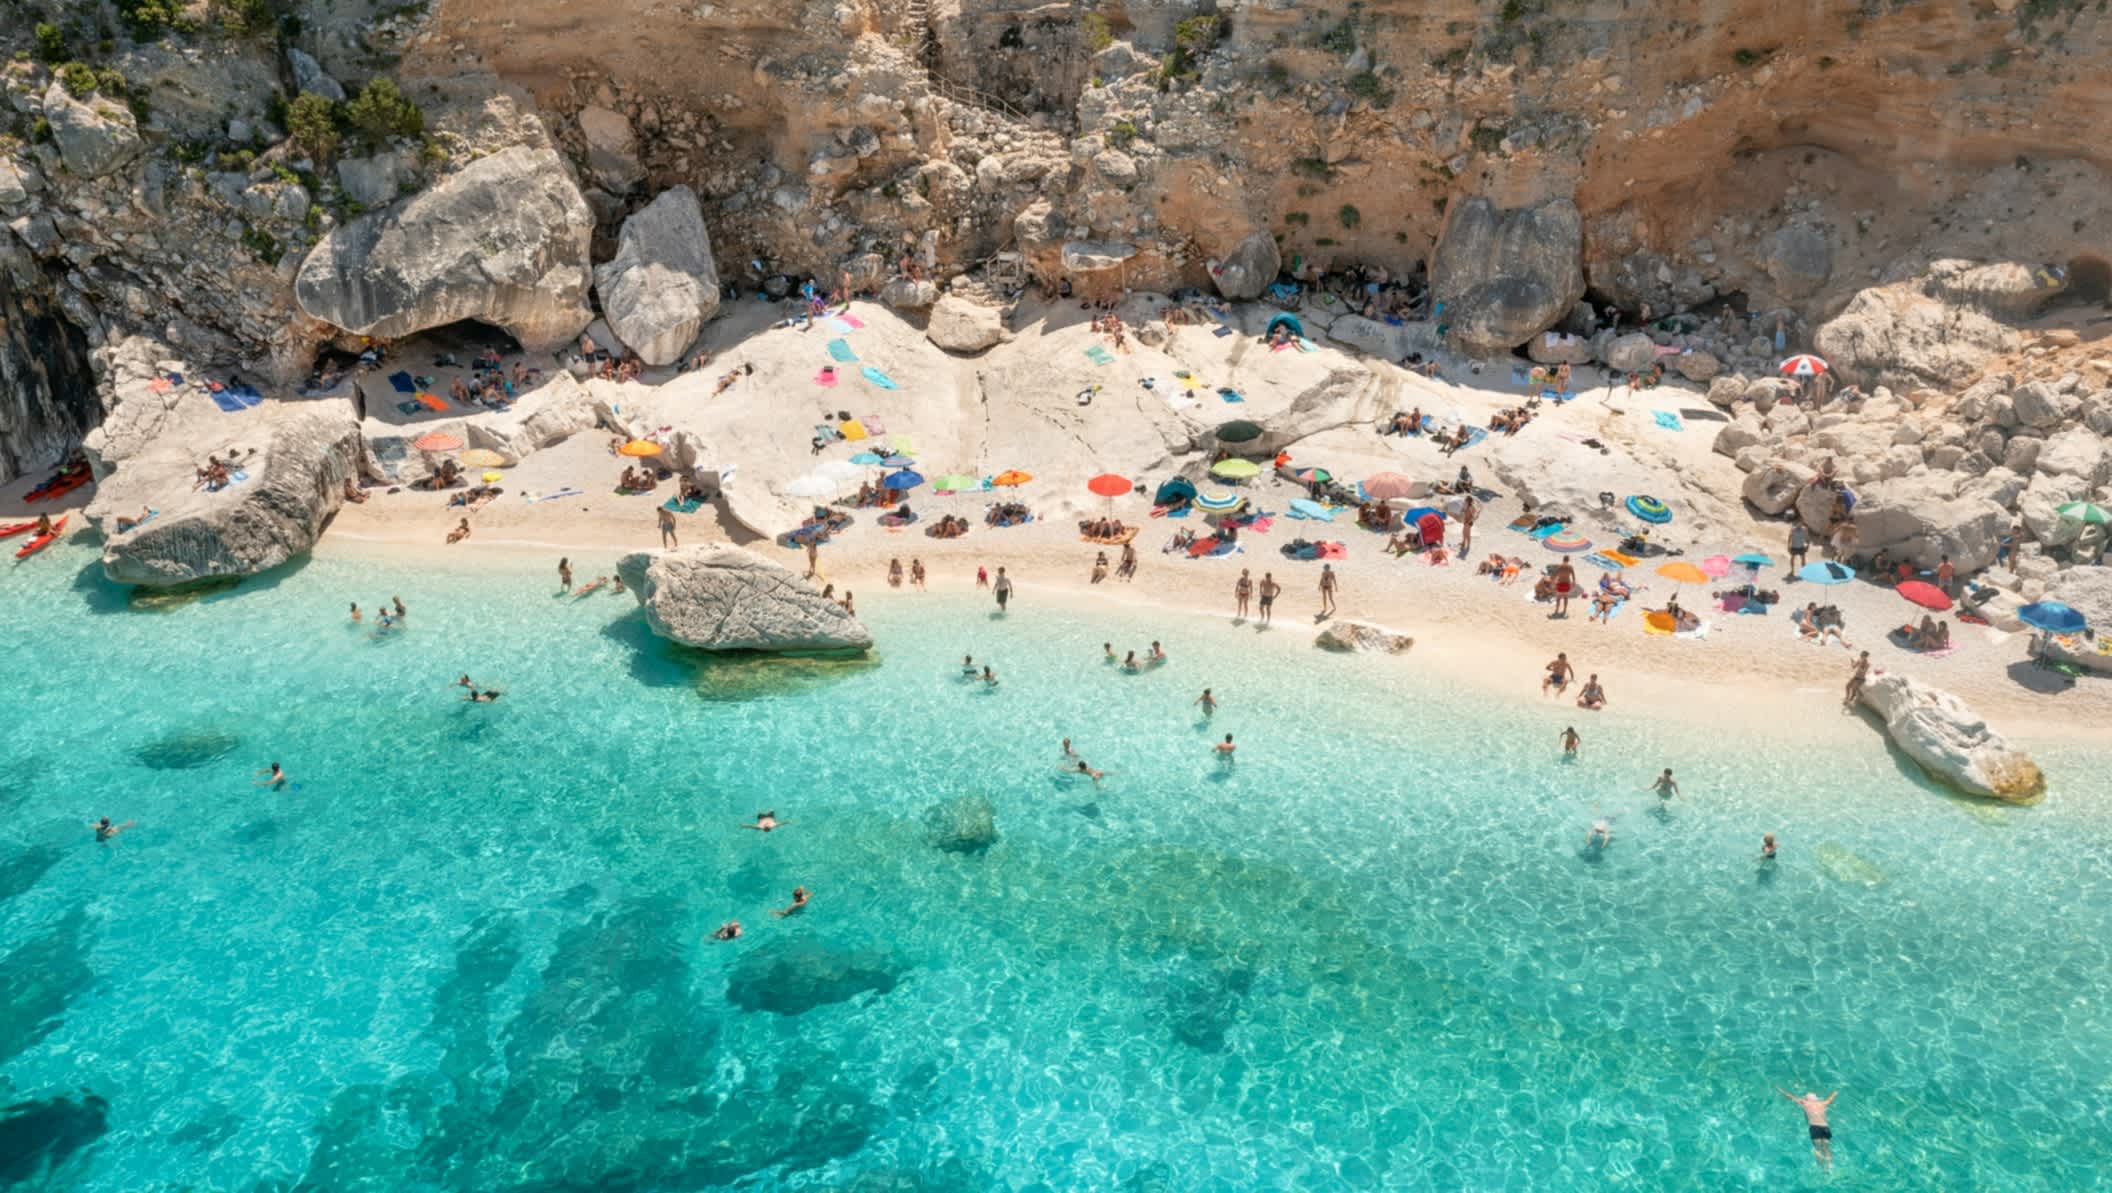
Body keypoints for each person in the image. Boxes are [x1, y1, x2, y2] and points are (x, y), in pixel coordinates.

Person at [1776, 1088, 1837, 1169]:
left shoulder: (1805, 1103)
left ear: (1806, 1099)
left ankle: (1823, 1168)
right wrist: (1835, 1092)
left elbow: (1790, 1096)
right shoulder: (1823, 1103)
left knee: (1818, 1149)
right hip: (1825, 1127)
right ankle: (1830, 1166)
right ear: (1816, 1099)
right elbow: (1831, 1099)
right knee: (1826, 1148)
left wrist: (1781, 1090)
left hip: (1815, 1127)